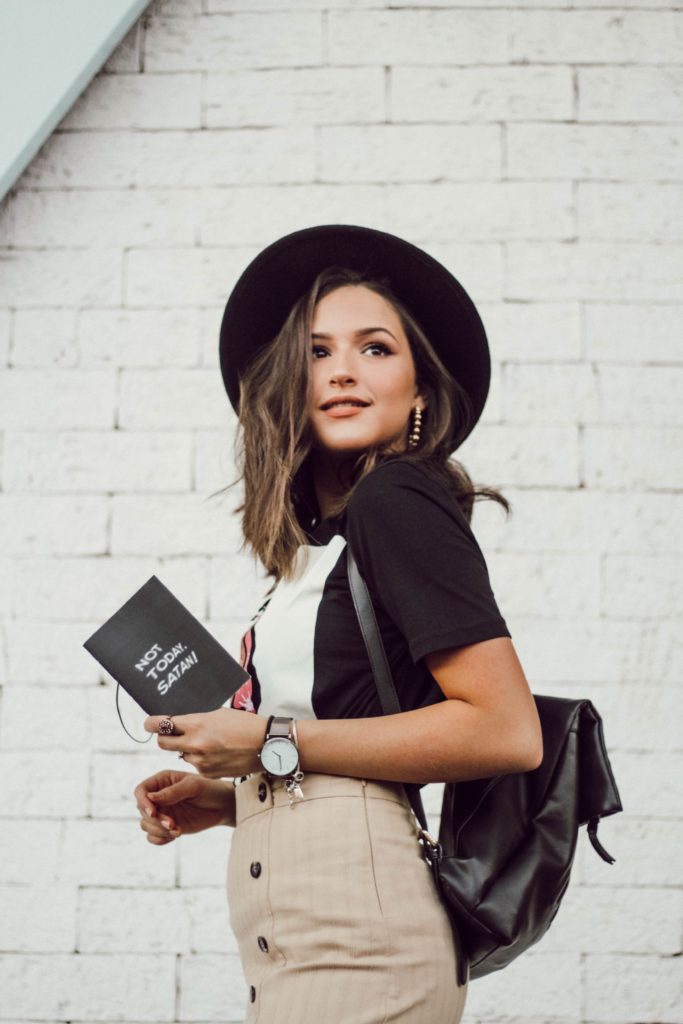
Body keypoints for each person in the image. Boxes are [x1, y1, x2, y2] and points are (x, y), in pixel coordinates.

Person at [134, 225, 543, 1024]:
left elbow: (504, 730)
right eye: (317, 352)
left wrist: (265, 740)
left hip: (360, 937)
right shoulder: (322, 543)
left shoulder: (397, 499)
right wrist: (231, 798)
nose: (344, 371)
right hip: (302, 932)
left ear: (420, 391)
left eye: (375, 349)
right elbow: (360, 739)